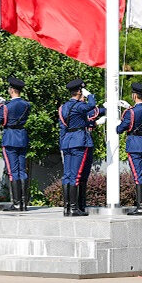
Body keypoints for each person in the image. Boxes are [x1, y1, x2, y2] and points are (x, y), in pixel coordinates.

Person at [58, 79, 100, 217]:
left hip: (67, 141)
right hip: (78, 141)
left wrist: (62, 144)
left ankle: (67, 208)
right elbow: (92, 106)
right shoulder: (79, 106)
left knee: (67, 176)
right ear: (79, 91)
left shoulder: (63, 107)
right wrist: (90, 95)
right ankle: (74, 208)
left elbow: (62, 127)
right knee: (76, 175)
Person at [0, 76, 31, 212]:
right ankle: (24, 203)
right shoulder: (27, 105)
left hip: (10, 138)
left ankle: (16, 204)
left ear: (11, 90)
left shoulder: (6, 107)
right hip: (22, 137)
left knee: (13, 171)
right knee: (22, 171)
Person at [116, 82, 142, 215]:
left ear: (134, 95)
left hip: (134, 144)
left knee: (138, 176)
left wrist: (119, 122)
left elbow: (120, 129)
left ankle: (140, 207)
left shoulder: (130, 112)